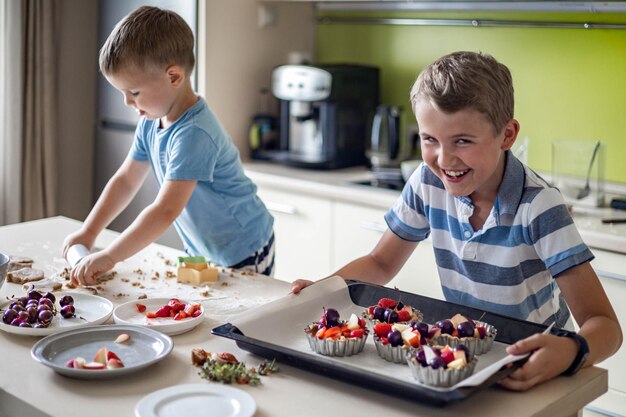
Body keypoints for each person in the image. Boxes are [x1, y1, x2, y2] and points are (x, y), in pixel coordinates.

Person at [292, 51, 621, 391]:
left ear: (507, 135)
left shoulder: (538, 206)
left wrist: (570, 351)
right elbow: (380, 261)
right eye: (429, 140)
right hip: (467, 361)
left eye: (463, 141)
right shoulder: (427, 182)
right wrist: (322, 290)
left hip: (537, 369)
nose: (445, 159)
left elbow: (606, 326)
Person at [63, 6, 274, 285]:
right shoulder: (152, 119)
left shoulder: (194, 133)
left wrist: (111, 255)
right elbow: (126, 180)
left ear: (173, 77)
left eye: (134, 92)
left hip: (244, 250)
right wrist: (89, 233)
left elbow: (165, 210)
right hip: (204, 248)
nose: (127, 102)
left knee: (236, 322)